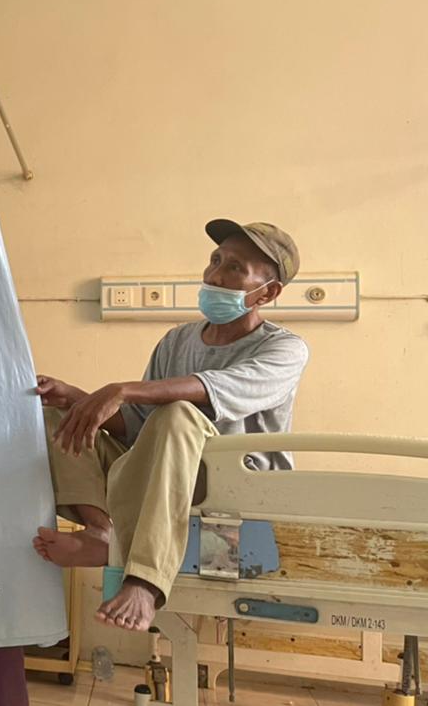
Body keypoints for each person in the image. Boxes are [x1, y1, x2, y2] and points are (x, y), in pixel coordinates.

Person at [32, 220, 309, 633]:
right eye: (215, 260)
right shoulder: (177, 341)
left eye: (235, 268)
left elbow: (212, 390)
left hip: (232, 486)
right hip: (162, 473)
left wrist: (124, 389)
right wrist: (79, 398)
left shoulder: (283, 349)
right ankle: (100, 531)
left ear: (267, 293)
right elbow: (137, 430)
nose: (215, 275)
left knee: (178, 413)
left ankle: (146, 582)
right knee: (59, 414)